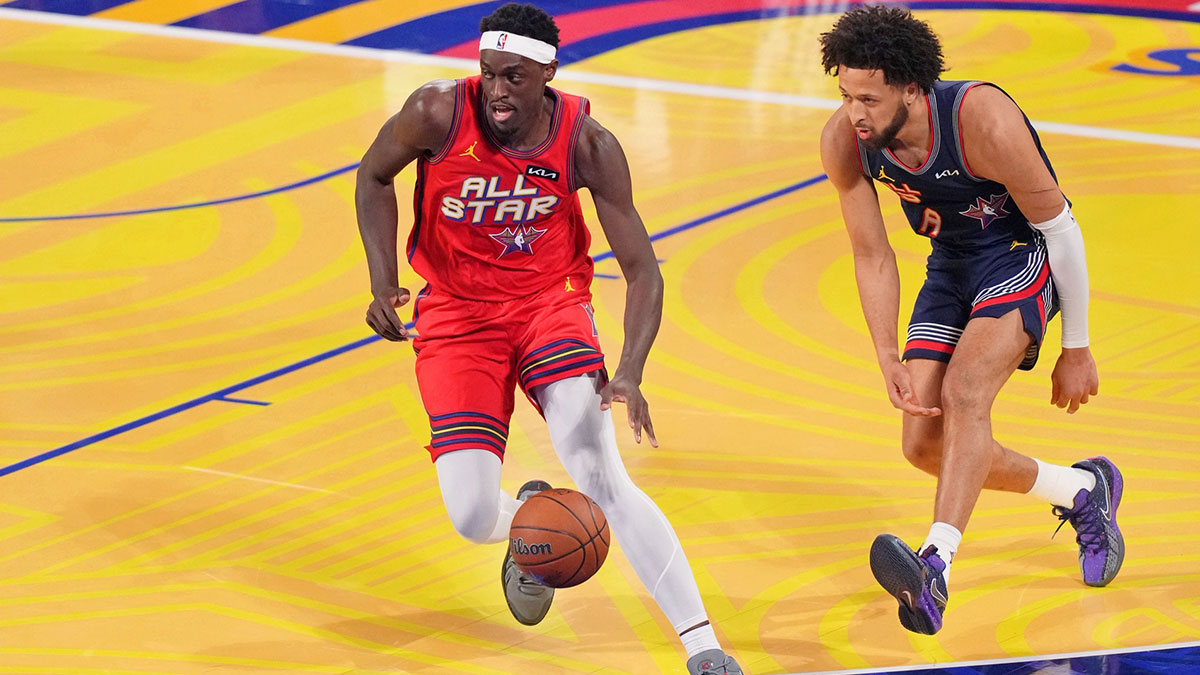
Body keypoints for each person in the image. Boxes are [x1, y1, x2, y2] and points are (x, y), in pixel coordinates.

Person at [354, 3, 742, 672]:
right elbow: (372, 176)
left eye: (513, 76)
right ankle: (532, 515)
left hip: (548, 306)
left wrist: (630, 370)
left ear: (548, 72)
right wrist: (383, 280)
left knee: (599, 470)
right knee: (472, 515)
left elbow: (643, 269)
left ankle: (703, 646)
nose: (498, 91)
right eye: (487, 74)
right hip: (455, 315)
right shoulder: (436, 113)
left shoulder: (589, 145)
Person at [817, 5, 1123, 635]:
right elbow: (871, 254)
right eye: (846, 95)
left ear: (912, 87)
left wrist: (1078, 345)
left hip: (1019, 255)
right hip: (950, 269)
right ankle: (1080, 490)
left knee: (965, 394)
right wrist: (886, 356)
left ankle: (935, 567)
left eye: (869, 98)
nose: (855, 113)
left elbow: (1061, 229)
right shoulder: (845, 140)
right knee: (922, 444)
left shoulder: (981, 119)